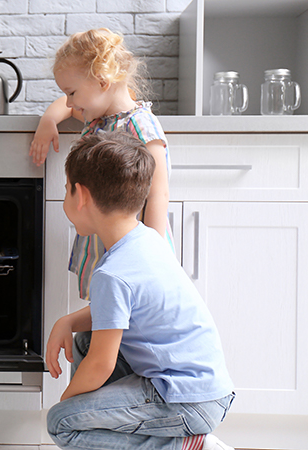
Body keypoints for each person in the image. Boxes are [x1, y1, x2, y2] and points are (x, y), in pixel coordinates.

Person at [45, 131, 235, 450]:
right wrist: (68, 321)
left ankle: (188, 446)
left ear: (80, 196)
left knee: (62, 424)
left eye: (66, 190)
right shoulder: (146, 240)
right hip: (204, 390)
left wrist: (68, 405)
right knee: (87, 341)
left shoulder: (112, 273)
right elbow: (118, 310)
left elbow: (101, 365)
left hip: (187, 402)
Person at [29, 28, 172, 300]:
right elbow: (66, 106)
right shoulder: (97, 117)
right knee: (108, 306)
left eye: (72, 92)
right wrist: (48, 120)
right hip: (103, 238)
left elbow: (158, 194)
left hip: (134, 247)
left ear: (102, 82)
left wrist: (150, 257)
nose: (70, 102)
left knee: (128, 307)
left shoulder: (140, 125)